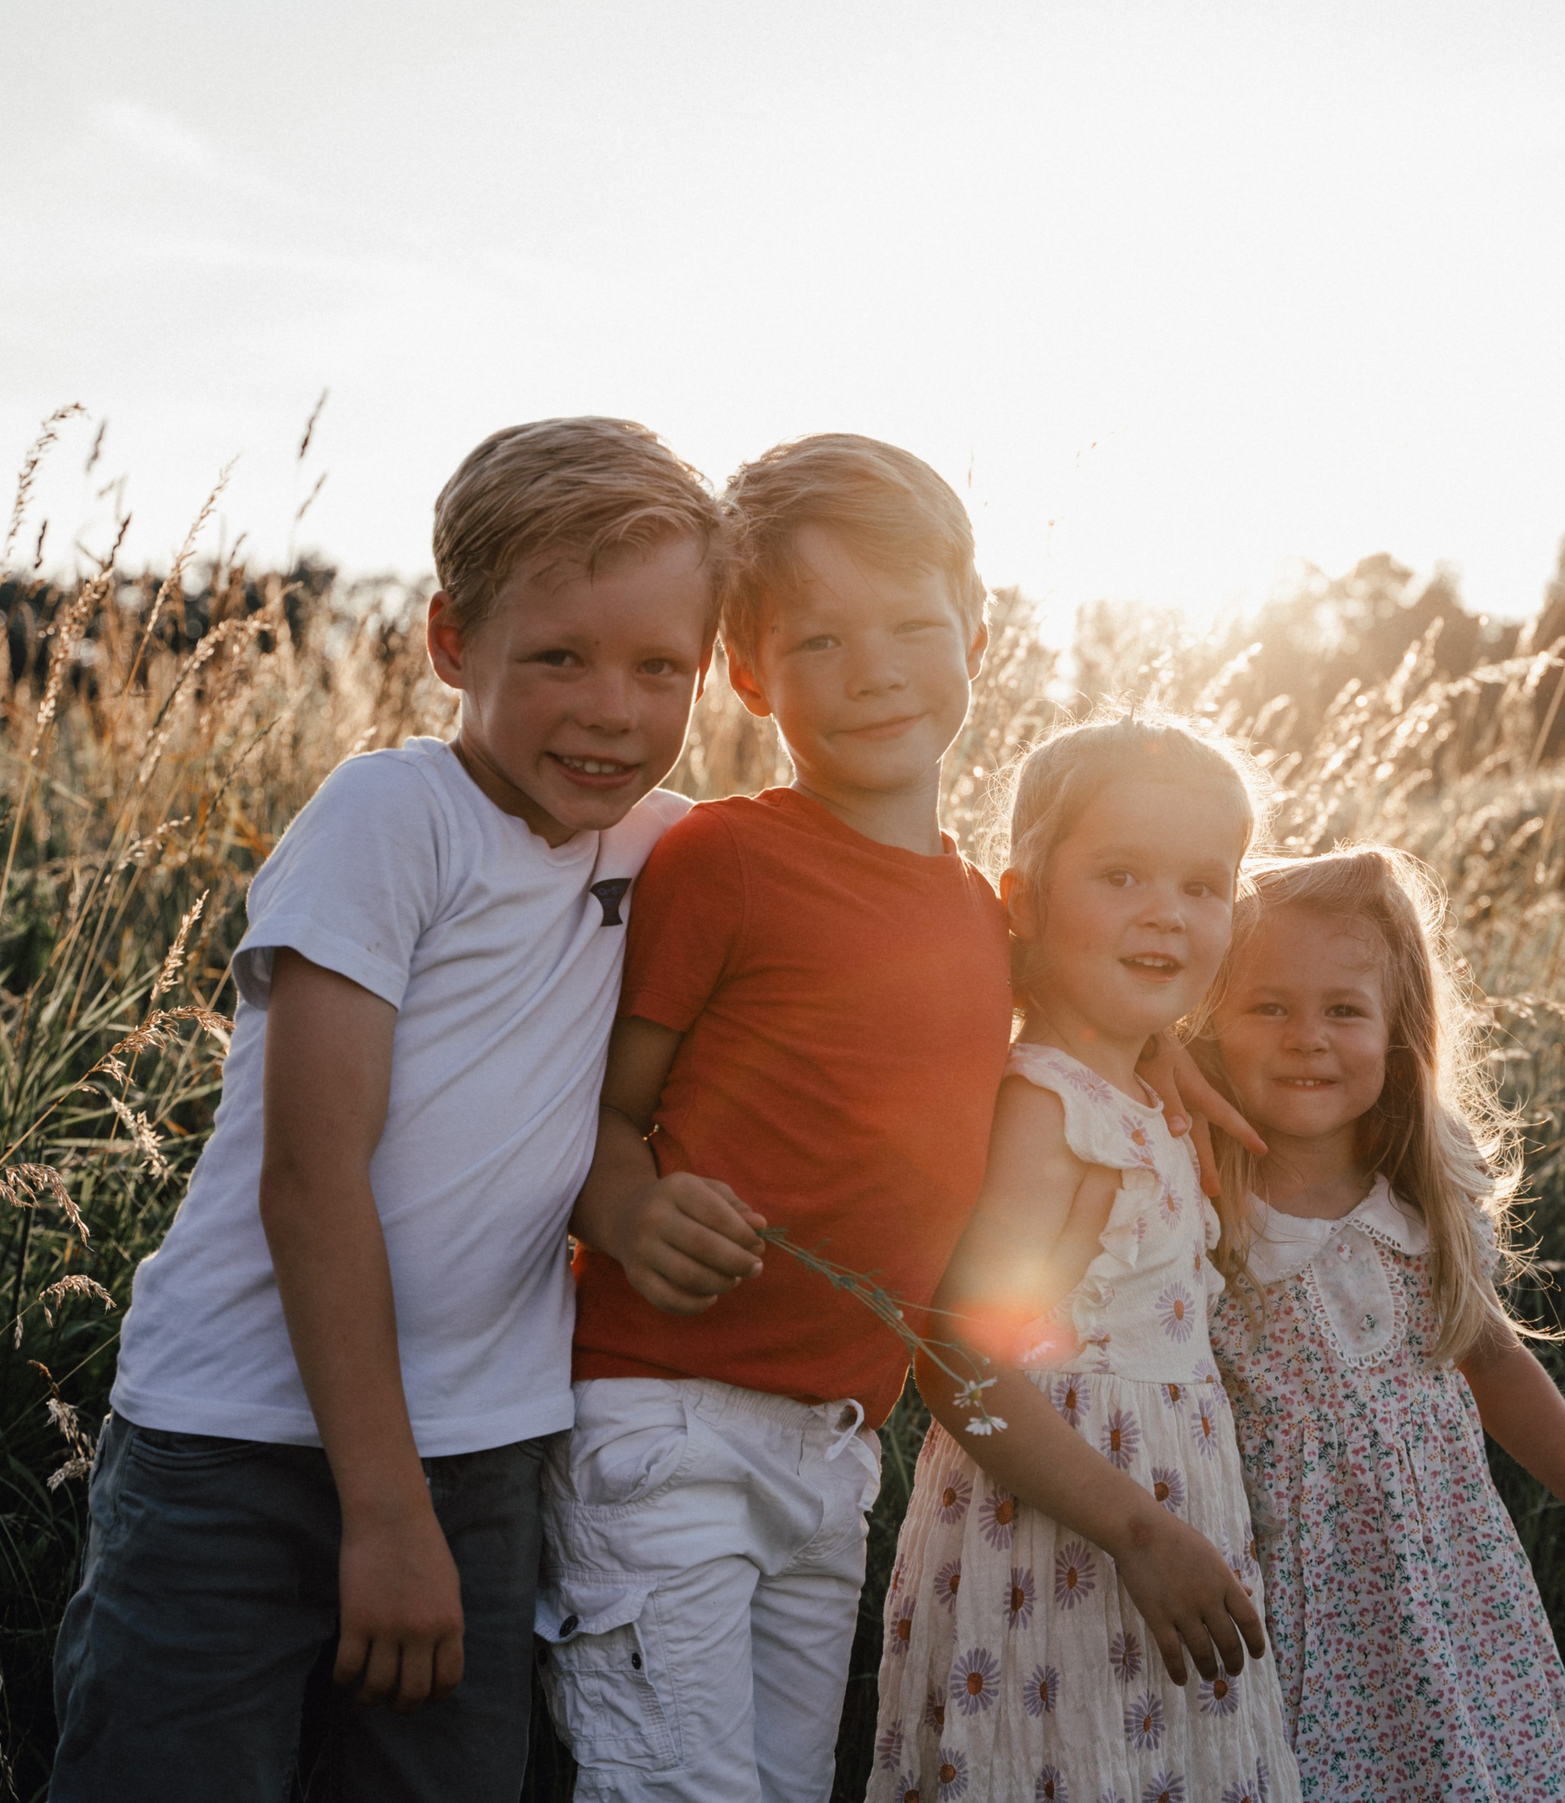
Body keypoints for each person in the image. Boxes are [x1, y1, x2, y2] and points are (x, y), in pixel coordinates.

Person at [48, 417, 720, 1803]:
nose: (613, 708)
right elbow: (311, 1176)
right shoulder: (389, 819)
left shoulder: (671, 848)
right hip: (239, 1439)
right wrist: (385, 1503)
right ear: (451, 641)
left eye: (662, 667)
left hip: (482, 1446)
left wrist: (1163, 1043)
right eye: (559, 656)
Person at [543, 434, 1016, 1803]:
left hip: (836, 1441)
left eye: (913, 625)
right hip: (662, 1416)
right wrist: (628, 1206)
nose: (873, 669)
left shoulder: (986, 914)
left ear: (976, 630)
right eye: (819, 639)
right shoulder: (725, 861)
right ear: (747, 673)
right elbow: (597, 1112)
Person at [1195, 845, 1565, 1803]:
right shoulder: (1201, 1199)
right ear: (1212, 1022)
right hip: (1284, 1589)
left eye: (1344, 1009)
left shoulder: (1422, 1192)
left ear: (1397, 1030)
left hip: (1446, 1580)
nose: (1308, 1036)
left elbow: (1493, 1356)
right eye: (1270, 1005)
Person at [872, 711, 1305, 1803]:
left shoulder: (1138, 1091)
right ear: (1025, 900)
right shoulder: (1048, 1114)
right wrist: (1139, 1532)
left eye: (1203, 887)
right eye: (1120, 875)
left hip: (1152, 1536)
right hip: (1063, 1550)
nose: (1166, 912)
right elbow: (959, 1359)